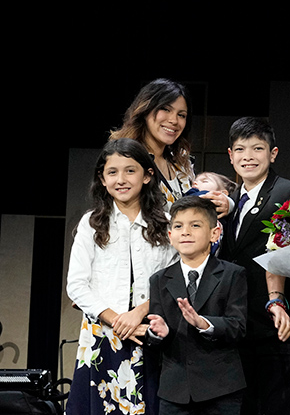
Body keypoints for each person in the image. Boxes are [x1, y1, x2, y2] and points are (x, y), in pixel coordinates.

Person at [65, 139, 178, 415]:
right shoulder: (91, 223)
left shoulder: (167, 223)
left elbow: (175, 282)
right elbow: (76, 286)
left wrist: (139, 313)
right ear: (102, 179)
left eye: (130, 170)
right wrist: (118, 320)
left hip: (150, 335)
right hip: (102, 337)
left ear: (148, 175)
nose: (121, 179)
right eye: (112, 172)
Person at [214, 117, 290, 415]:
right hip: (235, 331)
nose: (248, 157)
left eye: (257, 148)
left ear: (273, 154)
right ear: (230, 156)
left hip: (275, 330)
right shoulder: (227, 204)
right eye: (240, 150)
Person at [147, 196, 248, 414]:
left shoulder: (232, 274)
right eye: (178, 226)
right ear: (170, 235)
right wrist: (158, 333)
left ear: (214, 233)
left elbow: (238, 327)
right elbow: (154, 332)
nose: (186, 232)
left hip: (221, 389)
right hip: (175, 392)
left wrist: (204, 323)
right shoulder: (159, 280)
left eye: (195, 225)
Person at [109, 78, 230, 215]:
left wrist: (227, 204)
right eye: (165, 109)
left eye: (181, 115)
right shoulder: (126, 159)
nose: (173, 120)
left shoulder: (182, 162)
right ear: (145, 110)